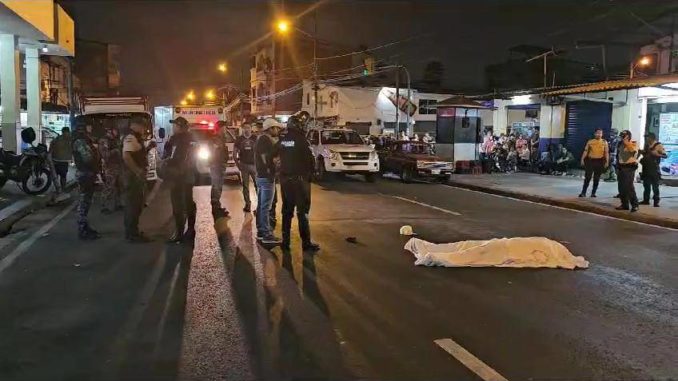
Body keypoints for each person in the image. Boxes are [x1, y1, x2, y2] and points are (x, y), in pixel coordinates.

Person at [276, 112, 320, 252]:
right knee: (302, 213)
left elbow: (273, 153)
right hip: (300, 182)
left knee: (287, 211)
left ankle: (285, 242)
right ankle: (306, 244)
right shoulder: (302, 140)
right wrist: (312, 174)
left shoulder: (283, 139)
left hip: (285, 181)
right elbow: (310, 160)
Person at [163, 117, 197, 243]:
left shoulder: (175, 139)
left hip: (177, 176)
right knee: (188, 202)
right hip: (189, 176)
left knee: (177, 204)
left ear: (180, 126)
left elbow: (169, 156)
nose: (173, 128)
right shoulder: (192, 139)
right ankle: (191, 229)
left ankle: (179, 233)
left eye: (175, 126)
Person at [121, 117, 152, 242]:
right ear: (135, 125)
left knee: (136, 205)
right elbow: (126, 156)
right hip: (132, 177)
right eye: (142, 126)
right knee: (133, 206)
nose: (143, 129)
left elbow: (137, 153)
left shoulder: (135, 137)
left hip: (134, 176)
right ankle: (132, 234)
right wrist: (138, 171)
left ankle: (133, 232)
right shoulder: (131, 137)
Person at [255, 118, 282, 244]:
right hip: (266, 177)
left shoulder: (263, 139)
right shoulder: (264, 140)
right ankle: (266, 234)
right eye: (276, 128)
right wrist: (273, 167)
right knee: (266, 206)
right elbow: (266, 159)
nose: (278, 130)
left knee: (262, 205)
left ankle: (261, 231)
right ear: (270, 128)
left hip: (263, 176)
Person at [71, 120, 100, 240]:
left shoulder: (83, 141)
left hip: (87, 174)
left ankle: (85, 227)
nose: (90, 129)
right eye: (88, 127)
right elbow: (87, 158)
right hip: (85, 174)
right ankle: (82, 229)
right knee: (83, 203)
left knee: (86, 202)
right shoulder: (80, 141)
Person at [99, 125, 123, 214]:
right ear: (110, 131)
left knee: (119, 188)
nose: (117, 132)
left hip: (118, 167)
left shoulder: (115, 140)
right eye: (115, 130)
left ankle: (118, 204)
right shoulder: (104, 141)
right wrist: (115, 151)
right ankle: (104, 206)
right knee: (108, 187)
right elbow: (105, 155)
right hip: (110, 168)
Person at [234, 122, 258, 212]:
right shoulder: (239, 139)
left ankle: (259, 206)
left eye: (248, 127)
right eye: (245, 128)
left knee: (257, 186)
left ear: (251, 128)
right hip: (244, 165)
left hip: (254, 165)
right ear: (242, 129)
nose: (247, 129)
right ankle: (248, 204)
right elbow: (234, 153)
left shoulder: (256, 138)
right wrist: (238, 164)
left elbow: (260, 152)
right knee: (245, 186)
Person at [579, 128, 609, 198]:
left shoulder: (604, 142)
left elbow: (606, 153)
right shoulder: (590, 142)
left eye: (600, 133)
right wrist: (582, 159)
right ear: (594, 134)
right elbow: (585, 151)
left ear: (602, 134)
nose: (599, 134)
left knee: (596, 178)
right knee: (588, 177)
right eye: (598, 133)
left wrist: (607, 162)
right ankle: (583, 192)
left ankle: (593, 193)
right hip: (590, 161)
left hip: (599, 161)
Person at [639, 132, 667, 207]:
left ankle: (656, 201)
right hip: (646, 168)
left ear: (651, 138)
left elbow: (665, 156)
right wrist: (643, 152)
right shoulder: (647, 145)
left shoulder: (658, 145)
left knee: (655, 186)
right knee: (646, 185)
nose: (646, 139)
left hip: (654, 169)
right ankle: (646, 200)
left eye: (647, 137)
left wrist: (656, 154)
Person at [209, 121, 230, 218]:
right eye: (224, 127)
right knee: (216, 187)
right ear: (220, 128)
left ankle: (217, 208)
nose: (225, 129)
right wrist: (219, 163)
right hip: (217, 166)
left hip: (220, 165)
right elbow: (215, 153)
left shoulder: (221, 138)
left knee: (219, 187)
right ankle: (216, 210)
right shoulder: (215, 139)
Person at [616, 130, 640, 212]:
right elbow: (618, 155)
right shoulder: (620, 144)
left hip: (629, 167)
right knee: (621, 187)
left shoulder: (633, 143)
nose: (621, 137)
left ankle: (635, 204)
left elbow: (633, 151)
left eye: (623, 136)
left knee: (628, 186)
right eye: (621, 135)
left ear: (628, 136)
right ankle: (624, 204)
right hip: (621, 167)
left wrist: (626, 142)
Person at [49, 127, 72, 192]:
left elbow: (51, 147)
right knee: (63, 176)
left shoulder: (57, 138)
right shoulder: (70, 138)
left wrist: (50, 155)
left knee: (56, 175)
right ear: (67, 131)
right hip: (63, 161)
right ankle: (62, 189)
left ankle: (58, 189)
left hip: (55, 160)